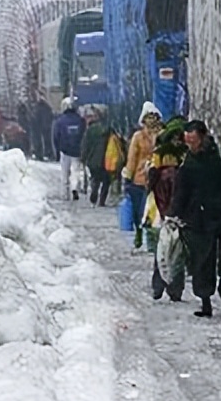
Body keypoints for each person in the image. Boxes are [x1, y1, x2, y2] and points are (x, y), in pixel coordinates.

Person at [166, 120, 221, 318]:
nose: (191, 145)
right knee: (202, 261)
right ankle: (205, 302)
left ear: (202, 136)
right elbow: (181, 192)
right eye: (188, 141)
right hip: (199, 218)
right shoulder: (188, 163)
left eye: (193, 140)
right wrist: (173, 214)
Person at [147, 116, 187, 301]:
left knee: (163, 248)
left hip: (160, 207)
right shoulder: (184, 156)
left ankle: (160, 286)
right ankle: (174, 289)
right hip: (176, 209)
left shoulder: (160, 155)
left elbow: (151, 180)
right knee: (177, 250)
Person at [122, 102, 163, 250]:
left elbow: (132, 159)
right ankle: (150, 239)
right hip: (156, 179)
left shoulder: (138, 137)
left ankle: (142, 235)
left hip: (139, 179)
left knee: (140, 210)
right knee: (151, 210)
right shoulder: (161, 135)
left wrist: (127, 176)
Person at [52, 97, 86, 200]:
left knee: (64, 173)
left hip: (64, 150)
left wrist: (57, 151)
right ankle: (74, 187)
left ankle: (65, 194)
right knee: (76, 171)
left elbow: (56, 136)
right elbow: (84, 135)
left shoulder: (60, 121)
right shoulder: (80, 120)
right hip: (77, 150)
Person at [80, 106, 112, 207]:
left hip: (93, 159)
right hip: (106, 159)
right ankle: (102, 200)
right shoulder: (109, 130)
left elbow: (85, 145)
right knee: (106, 181)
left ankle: (94, 193)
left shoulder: (90, 130)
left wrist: (83, 157)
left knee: (95, 178)